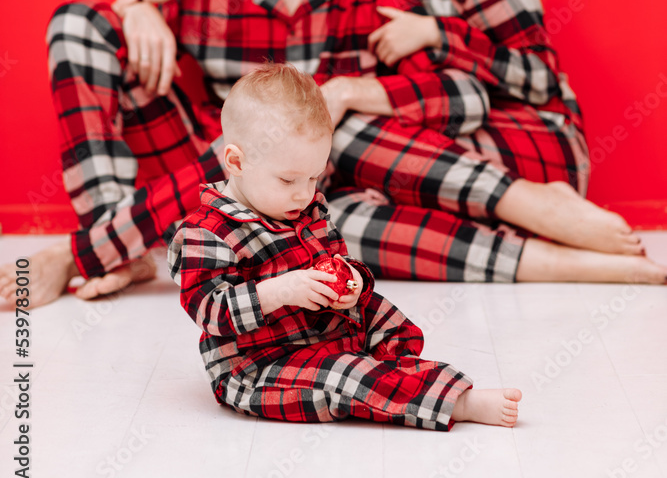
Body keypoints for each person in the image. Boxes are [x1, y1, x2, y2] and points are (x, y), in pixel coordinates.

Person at [1, 0, 663, 311]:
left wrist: (363, 81)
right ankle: (116, 248)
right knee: (80, 24)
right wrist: (144, 1)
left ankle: (90, 255)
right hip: (224, 174)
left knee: (330, 207)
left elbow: (469, 87)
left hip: (326, 188)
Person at [168, 62, 522, 429]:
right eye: (288, 179)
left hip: (325, 334)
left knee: (385, 317)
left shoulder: (306, 208)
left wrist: (353, 281)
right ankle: (455, 401)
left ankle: (390, 381)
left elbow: (339, 258)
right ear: (236, 162)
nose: (304, 192)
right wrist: (279, 291)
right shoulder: (206, 233)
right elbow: (211, 312)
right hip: (260, 366)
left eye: (314, 176)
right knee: (345, 375)